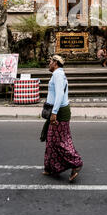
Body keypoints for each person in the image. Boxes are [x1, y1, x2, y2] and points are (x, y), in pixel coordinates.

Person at [40, 54, 83, 182]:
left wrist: (54, 113)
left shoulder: (57, 74)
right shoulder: (59, 74)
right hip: (58, 110)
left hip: (59, 112)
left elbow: (59, 94)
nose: (49, 64)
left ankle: (76, 163)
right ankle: (51, 167)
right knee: (51, 140)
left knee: (60, 141)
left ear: (56, 63)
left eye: (50, 61)